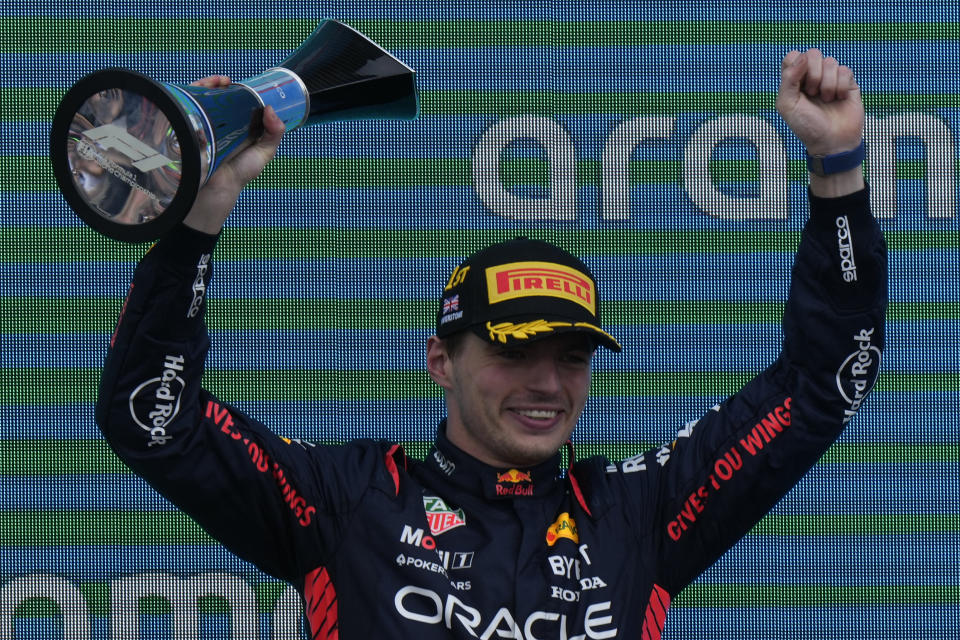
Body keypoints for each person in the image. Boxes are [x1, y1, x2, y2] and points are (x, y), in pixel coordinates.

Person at [96, 50, 887, 639]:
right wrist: (201, 218)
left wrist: (838, 167)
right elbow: (153, 422)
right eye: (513, 351)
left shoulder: (639, 512)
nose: (547, 382)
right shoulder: (347, 498)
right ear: (440, 361)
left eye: (572, 356)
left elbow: (824, 382)